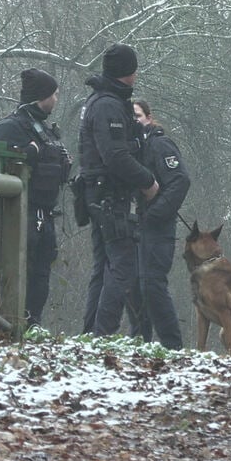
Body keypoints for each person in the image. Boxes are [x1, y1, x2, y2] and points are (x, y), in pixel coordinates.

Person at [78, 43, 158, 337]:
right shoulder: (108, 105)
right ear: (129, 72)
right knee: (121, 266)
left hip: (100, 195)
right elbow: (115, 156)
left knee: (103, 268)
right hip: (110, 196)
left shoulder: (103, 101)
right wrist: (148, 182)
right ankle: (102, 335)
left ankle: (91, 335)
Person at [0, 68, 72, 328]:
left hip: (44, 214)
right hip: (19, 215)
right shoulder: (9, 128)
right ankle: (6, 323)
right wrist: (27, 154)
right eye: (54, 94)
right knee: (18, 271)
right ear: (41, 96)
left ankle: (31, 324)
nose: (56, 99)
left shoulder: (45, 132)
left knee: (40, 274)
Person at [127, 99, 190, 349]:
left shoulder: (160, 144)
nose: (134, 120)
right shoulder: (132, 148)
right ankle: (140, 343)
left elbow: (180, 182)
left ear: (149, 118)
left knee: (153, 285)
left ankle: (172, 346)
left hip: (158, 229)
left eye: (138, 115)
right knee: (133, 288)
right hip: (135, 227)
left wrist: (154, 215)